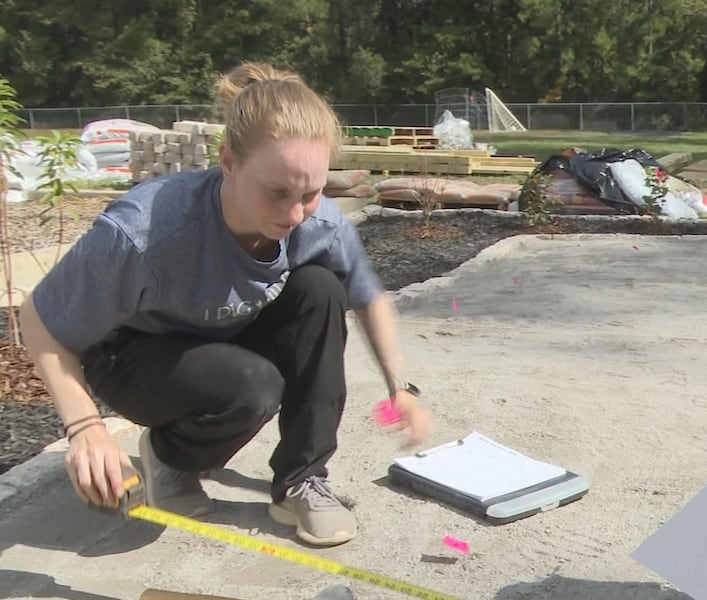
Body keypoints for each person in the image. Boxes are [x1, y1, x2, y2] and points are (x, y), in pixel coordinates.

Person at [20, 62, 433, 547]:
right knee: (254, 385)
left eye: (311, 192)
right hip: (135, 354)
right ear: (229, 163)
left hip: (223, 334)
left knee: (321, 289)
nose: (294, 213)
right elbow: (38, 318)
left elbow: (367, 296)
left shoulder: (316, 222)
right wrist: (85, 426)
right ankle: (170, 457)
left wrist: (399, 389)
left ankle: (302, 480)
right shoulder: (146, 230)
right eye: (276, 192)